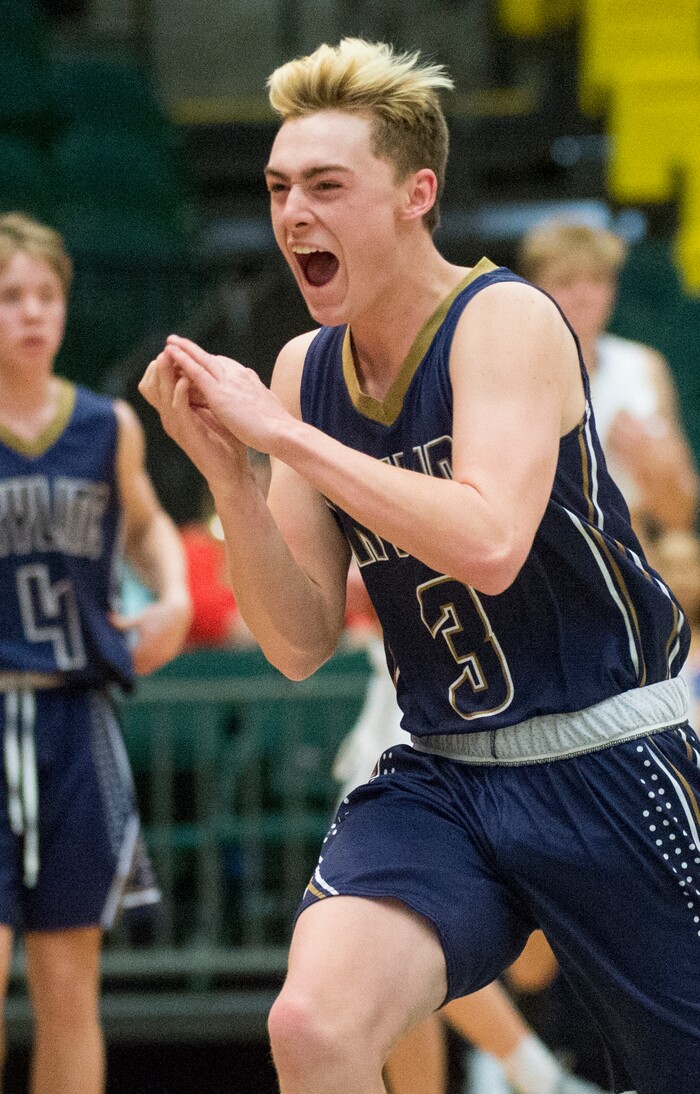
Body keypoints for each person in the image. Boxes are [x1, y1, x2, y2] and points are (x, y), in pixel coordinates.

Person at [140, 38, 700, 1094]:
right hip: (446, 767)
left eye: (325, 185)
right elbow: (300, 642)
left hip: (606, 757)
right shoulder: (307, 368)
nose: (292, 212)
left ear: (415, 194)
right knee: (313, 1022)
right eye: (275, 189)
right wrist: (232, 477)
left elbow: (488, 543)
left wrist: (290, 439)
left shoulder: (504, 320)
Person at [0, 212, 192, 1094]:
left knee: (71, 989)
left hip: (76, 716)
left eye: (46, 296)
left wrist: (177, 593)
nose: (32, 313)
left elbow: (149, 525)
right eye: (11, 297)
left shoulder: (108, 426)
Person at [338, 564, 606, 1094]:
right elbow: (342, 587)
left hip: (521, 711)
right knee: (398, 934)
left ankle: (520, 1064)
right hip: (412, 721)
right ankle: (537, 1074)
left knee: (526, 963)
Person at [517, 219, 699, 550]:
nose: (585, 296)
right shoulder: (511, 372)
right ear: (532, 287)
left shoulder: (644, 364)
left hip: (632, 540)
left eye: (598, 280)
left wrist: (651, 463)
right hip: (548, 548)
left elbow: (681, 514)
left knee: (681, 553)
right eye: (566, 281)